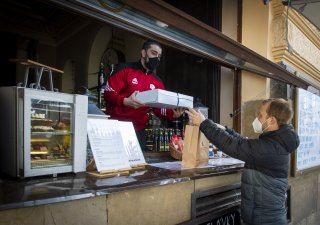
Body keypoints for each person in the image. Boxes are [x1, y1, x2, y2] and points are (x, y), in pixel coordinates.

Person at [186, 98, 299, 225]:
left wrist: (204, 123)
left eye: (261, 115)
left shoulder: (270, 148)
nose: (257, 118)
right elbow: (244, 143)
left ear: (271, 120)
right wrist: (225, 129)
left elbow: (235, 146)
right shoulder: (275, 143)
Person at [104, 39, 184, 150]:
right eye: (153, 53)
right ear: (143, 53)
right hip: (116, 128)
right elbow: (108, 93)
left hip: (139, 131)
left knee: (139, 166)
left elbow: (158, 109)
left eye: (159, 56)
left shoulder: (158, 82)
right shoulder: (125, 69)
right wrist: (125, 101)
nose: (156, 58)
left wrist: (172, 114)